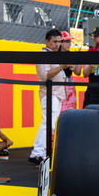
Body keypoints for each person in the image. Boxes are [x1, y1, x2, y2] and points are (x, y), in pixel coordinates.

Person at [29, 29, 69, 164]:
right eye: (54, 42)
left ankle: (41, 151)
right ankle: (37, 152)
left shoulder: (54, 55)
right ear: (47, 41)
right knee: (47, 122)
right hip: (49, 92)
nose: (57, 44)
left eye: (59, 41)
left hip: (56, 93)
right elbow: (44, 76)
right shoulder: (44, 54)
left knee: (50, 123)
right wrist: (62, 67)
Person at [59, 30, 81, 112]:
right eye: (67, 41)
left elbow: (78, 73)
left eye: (70, 41)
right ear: (60, 43)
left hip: (69, 84)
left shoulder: (71, 55)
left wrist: (78, 59)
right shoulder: (54, 55)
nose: (69, 44)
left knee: (71, 110)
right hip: (59, 84)